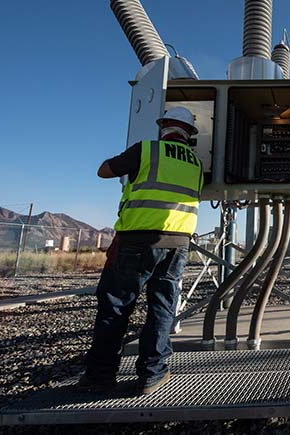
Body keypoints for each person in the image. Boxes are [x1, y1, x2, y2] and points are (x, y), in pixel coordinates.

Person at [78, 106, 203, 396]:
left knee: (116, 306)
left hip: (137, 241)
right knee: (162, 309)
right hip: (177, 244)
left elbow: (104, 171)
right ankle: (153, 374)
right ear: (188, 134)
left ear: (165, 126)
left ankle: (99, 374)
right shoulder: (196, 163)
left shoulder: (146, 149)